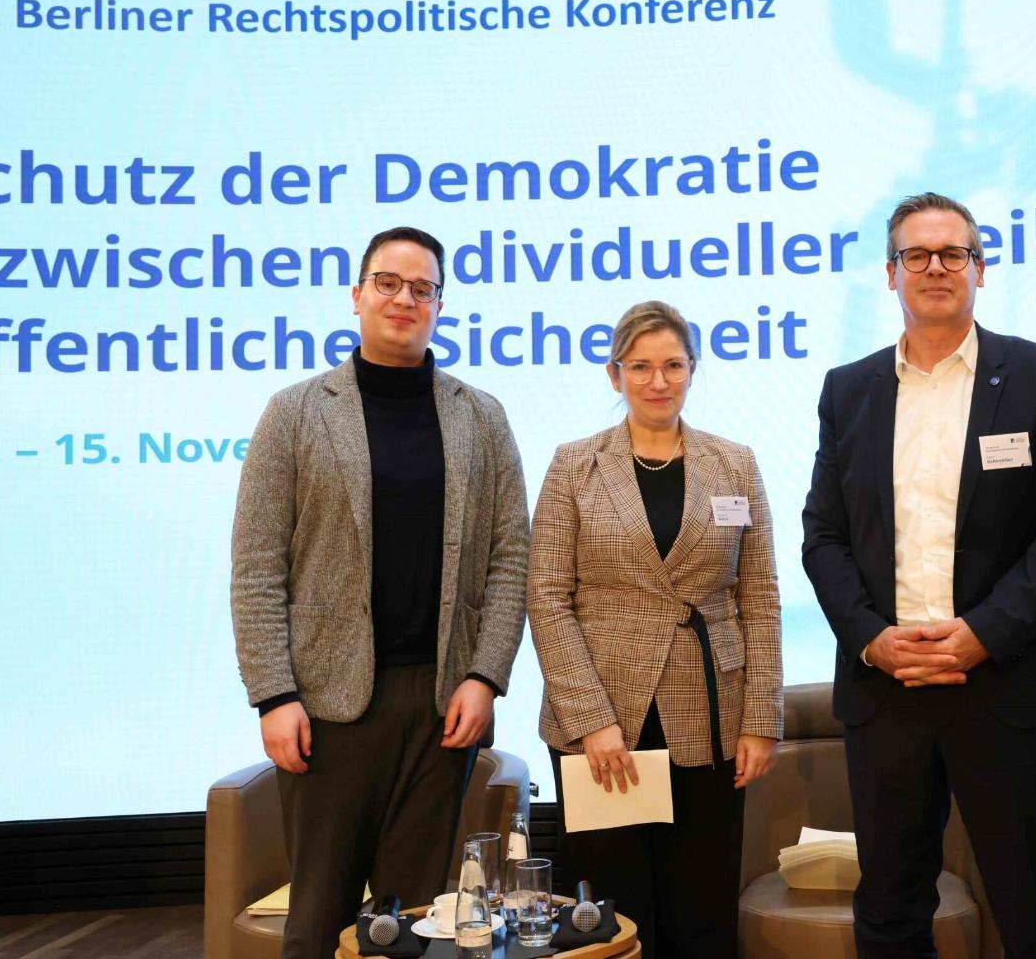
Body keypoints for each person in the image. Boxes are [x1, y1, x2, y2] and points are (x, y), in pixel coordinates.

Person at [802, 192, 1036, 958]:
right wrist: (871, 639)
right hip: (887, 689)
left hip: (1005, 685)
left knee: (1030, 910)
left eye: (952, 253)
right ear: (890, 273)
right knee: (890, 912)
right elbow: (823, 536)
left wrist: (983, 633)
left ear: (979, 268)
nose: (934, 267)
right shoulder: (848, 389)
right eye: (916, 255)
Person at [230, 226, 529, 959]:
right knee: (318, 922)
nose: (404, 299)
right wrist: (273, 694)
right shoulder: (296, 412)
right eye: (388, 283)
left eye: (422, 288)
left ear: (439, 306)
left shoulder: (481, 416)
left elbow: (509, 557)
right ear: (357, 295)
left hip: (442, 706)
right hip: (325, 708)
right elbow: (257, 565)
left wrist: (485, 676)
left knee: (414, 924)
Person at [526, 299, 782, 958]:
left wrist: (761, 718)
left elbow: (759, 597)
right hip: (604, 717)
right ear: (614, 374)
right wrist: (591, 720)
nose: (658, 380)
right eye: (639, 366)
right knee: (614, 913)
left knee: (701, 906)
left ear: (693, 369)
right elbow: (546, 597)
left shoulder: (734, 464)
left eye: (673, 365)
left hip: (712, 711)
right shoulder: (574, 465)